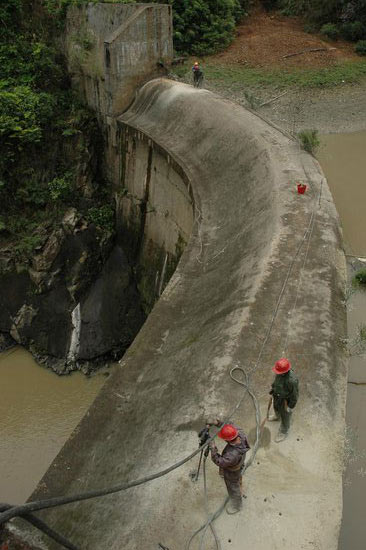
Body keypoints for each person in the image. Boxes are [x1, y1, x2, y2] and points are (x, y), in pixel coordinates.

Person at [207, 420, 250, 513]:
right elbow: (229, 425)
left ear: (227, 440)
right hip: (240, 461)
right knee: (239, 472)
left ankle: (237, 506)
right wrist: (217, 422)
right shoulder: (240, 433)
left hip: (232, 471)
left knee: (233, 487)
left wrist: (213, 448)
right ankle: (239, 480)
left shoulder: (231, 455)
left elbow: (219, 461)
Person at [269, 357, 299, 443]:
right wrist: (273, 389)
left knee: (285, 416)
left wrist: (290, 406)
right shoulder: (280, 373)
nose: (276, 373)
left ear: (285, 371)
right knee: (276, 407)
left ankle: (283, 431)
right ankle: (277, 416)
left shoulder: (291, 381)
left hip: (285, 400)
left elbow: (295, 395)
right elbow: (276, 381)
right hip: (277, 396)